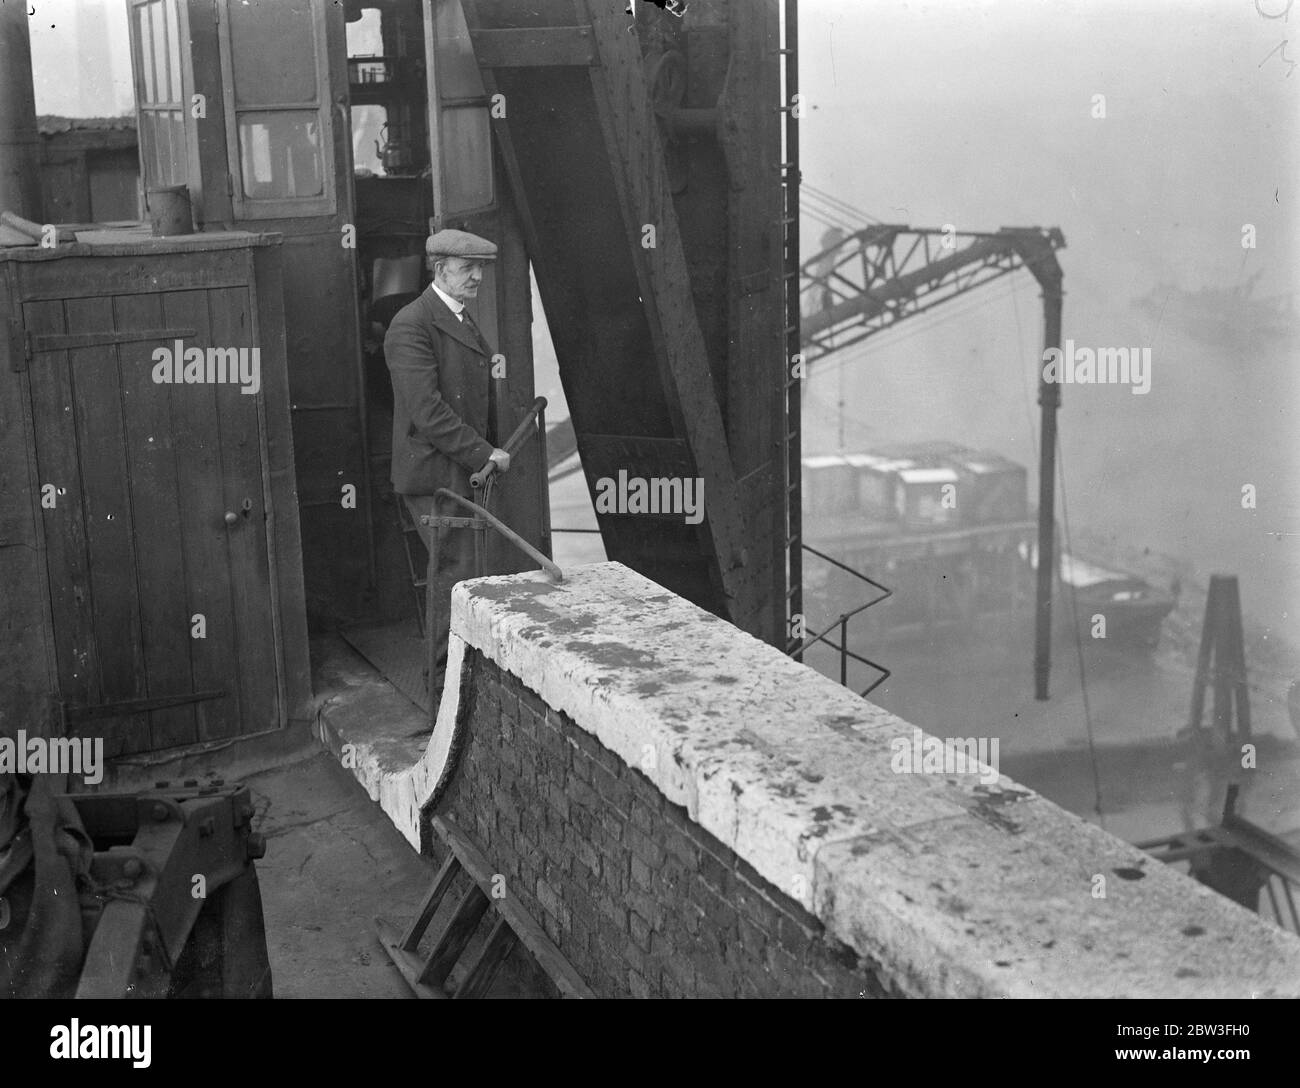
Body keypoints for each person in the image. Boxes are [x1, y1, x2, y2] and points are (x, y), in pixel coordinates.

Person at [385, 228, 510, 695]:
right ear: (440, 270)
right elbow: (429, 412)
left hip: (457, 470)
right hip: (434, 475)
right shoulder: (412, 324)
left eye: (481, 267)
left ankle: (459, 683)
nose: (477, 276)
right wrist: (485, 451)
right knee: (455, 576)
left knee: (464, 575)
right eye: (467, 268)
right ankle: (441, 691)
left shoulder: (457, 316)